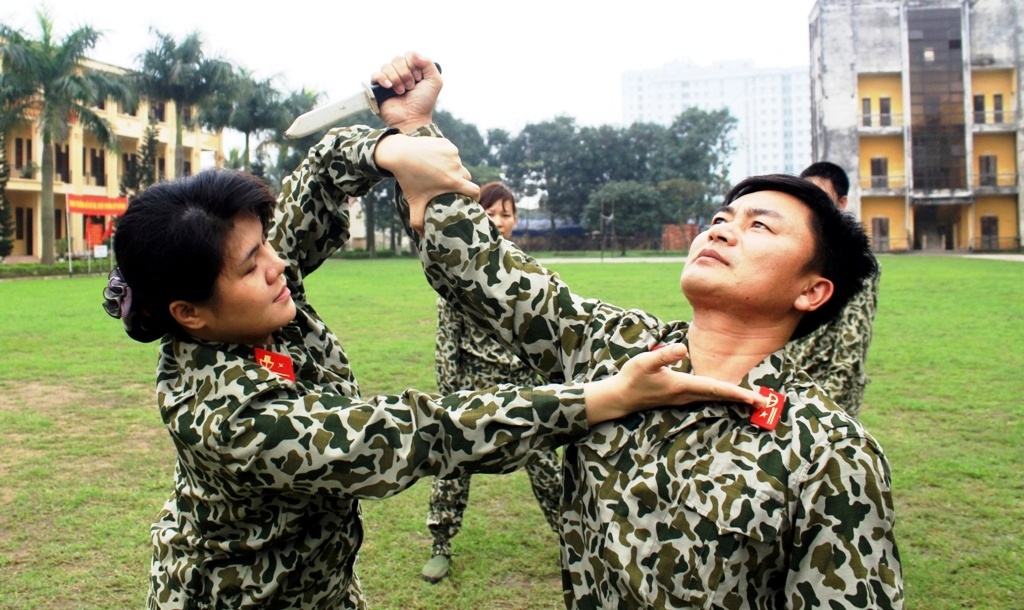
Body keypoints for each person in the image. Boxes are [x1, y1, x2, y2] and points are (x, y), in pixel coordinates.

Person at [102, 83, 768, 608]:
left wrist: (394, 140)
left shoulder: (251, 299)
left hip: (321, 582)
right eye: (251, 265)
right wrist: (601, 398)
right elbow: (415, 435)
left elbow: (323, 178)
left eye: (268, 245)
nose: (278, 266)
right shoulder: (229, 414)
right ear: (189, 313)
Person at [369, 52, 904, 609]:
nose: (720, 231)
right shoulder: (617, 348)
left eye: (759, 226)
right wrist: (412, 130)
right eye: (721, 218)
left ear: (812, 290)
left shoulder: (830, 452)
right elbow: (485, 273)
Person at [422, 181, 562, 584]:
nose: (499, 221)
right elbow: (447, 343)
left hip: (523, 389)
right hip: (474, 390)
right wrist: (451, 399)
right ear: (475, 215)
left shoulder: (529, 271)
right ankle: (441, 544)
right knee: (453, 467)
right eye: (491, 212)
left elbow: (545, 335)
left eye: (507, 213)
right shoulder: (457, 272)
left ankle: (573, 541)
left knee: (547, 469)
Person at [786, 161, 881, 418]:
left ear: (841, 203)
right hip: (788, 384)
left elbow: (851, 346)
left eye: (822, 198)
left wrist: (823, 410)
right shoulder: (798, 253)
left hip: (824, 395)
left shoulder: (853, 262)